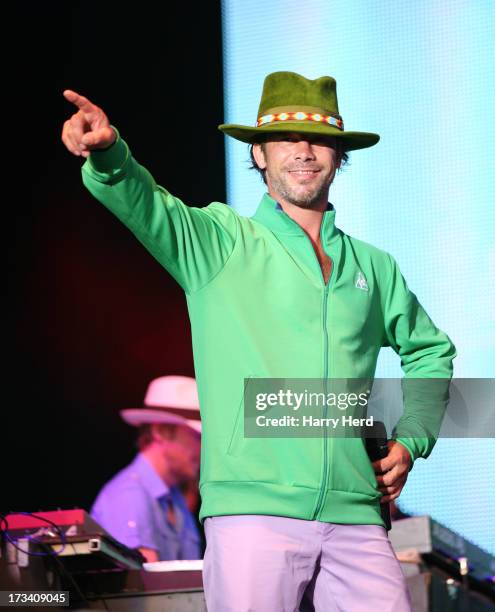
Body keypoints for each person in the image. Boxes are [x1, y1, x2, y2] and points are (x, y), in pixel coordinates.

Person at [62, 71, 456, 610]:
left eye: (318, 138)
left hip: (357, 516)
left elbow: (431, 351)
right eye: (286, 138)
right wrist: (109, 155)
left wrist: (411, 440)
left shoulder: (375, 267)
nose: (303, 150)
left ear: (339, 154)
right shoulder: (221, 239)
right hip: (252, 514)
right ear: (259, 153)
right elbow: (146, 204)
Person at [90, 375, 202, 562]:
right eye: (197, 438)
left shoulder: (175, 500)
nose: (202, 448)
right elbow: (146, 588)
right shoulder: (128, 495)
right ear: (161, 432)